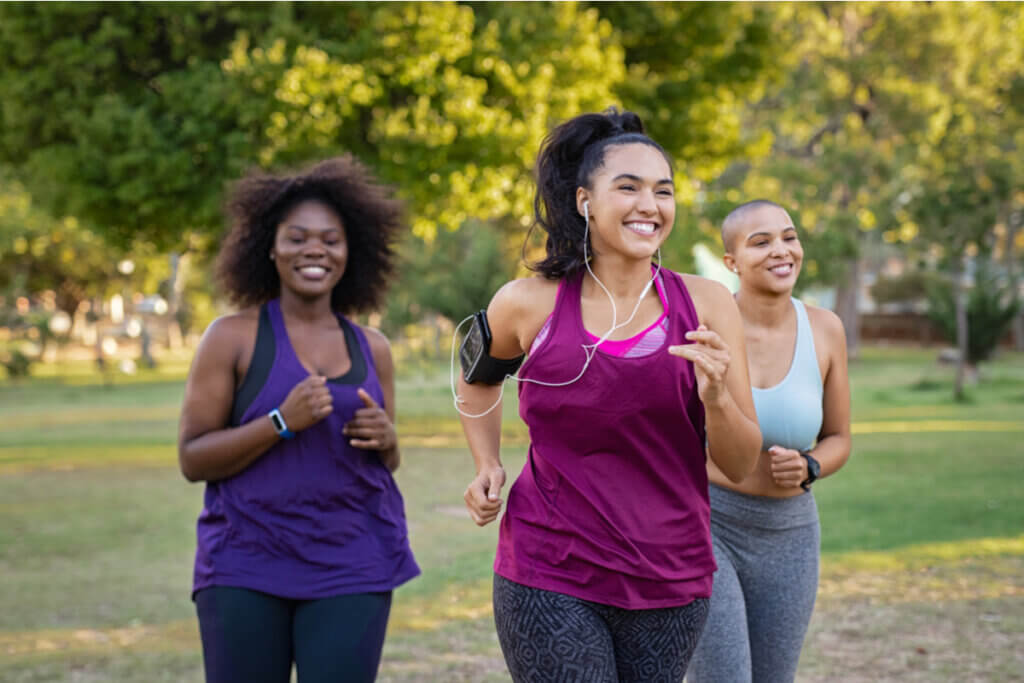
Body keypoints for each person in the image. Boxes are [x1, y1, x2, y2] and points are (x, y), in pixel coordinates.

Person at [455, 108, 762, 682]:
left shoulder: (709, 307)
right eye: (629, 187)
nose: (650, 205)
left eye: (663, 191)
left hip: (671, 575)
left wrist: (717, 397)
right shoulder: (527, 303)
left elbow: (740, 465)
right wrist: (486, 463)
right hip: (548, 570)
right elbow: (477, 379)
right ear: (584, 201)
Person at [177, 156, 419, 683]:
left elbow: (387, 461)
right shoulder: (232, 337)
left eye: (331, 240)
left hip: (353, 561)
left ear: (350, 251)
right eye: (297, 237)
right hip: (246, 562)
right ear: (269, 247)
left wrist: (389, 439)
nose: (315, 250)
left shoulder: (372, 348)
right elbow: (193, 459)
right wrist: (281, 422)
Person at [688, 200, 852, 683]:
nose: (781, 251)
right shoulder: (702, 330)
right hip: (709, 526)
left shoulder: (825, 330)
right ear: (731, 263)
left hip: (791, 535)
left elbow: (839, 437)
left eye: (789, 237)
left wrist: (810, 467)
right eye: (761, 242)